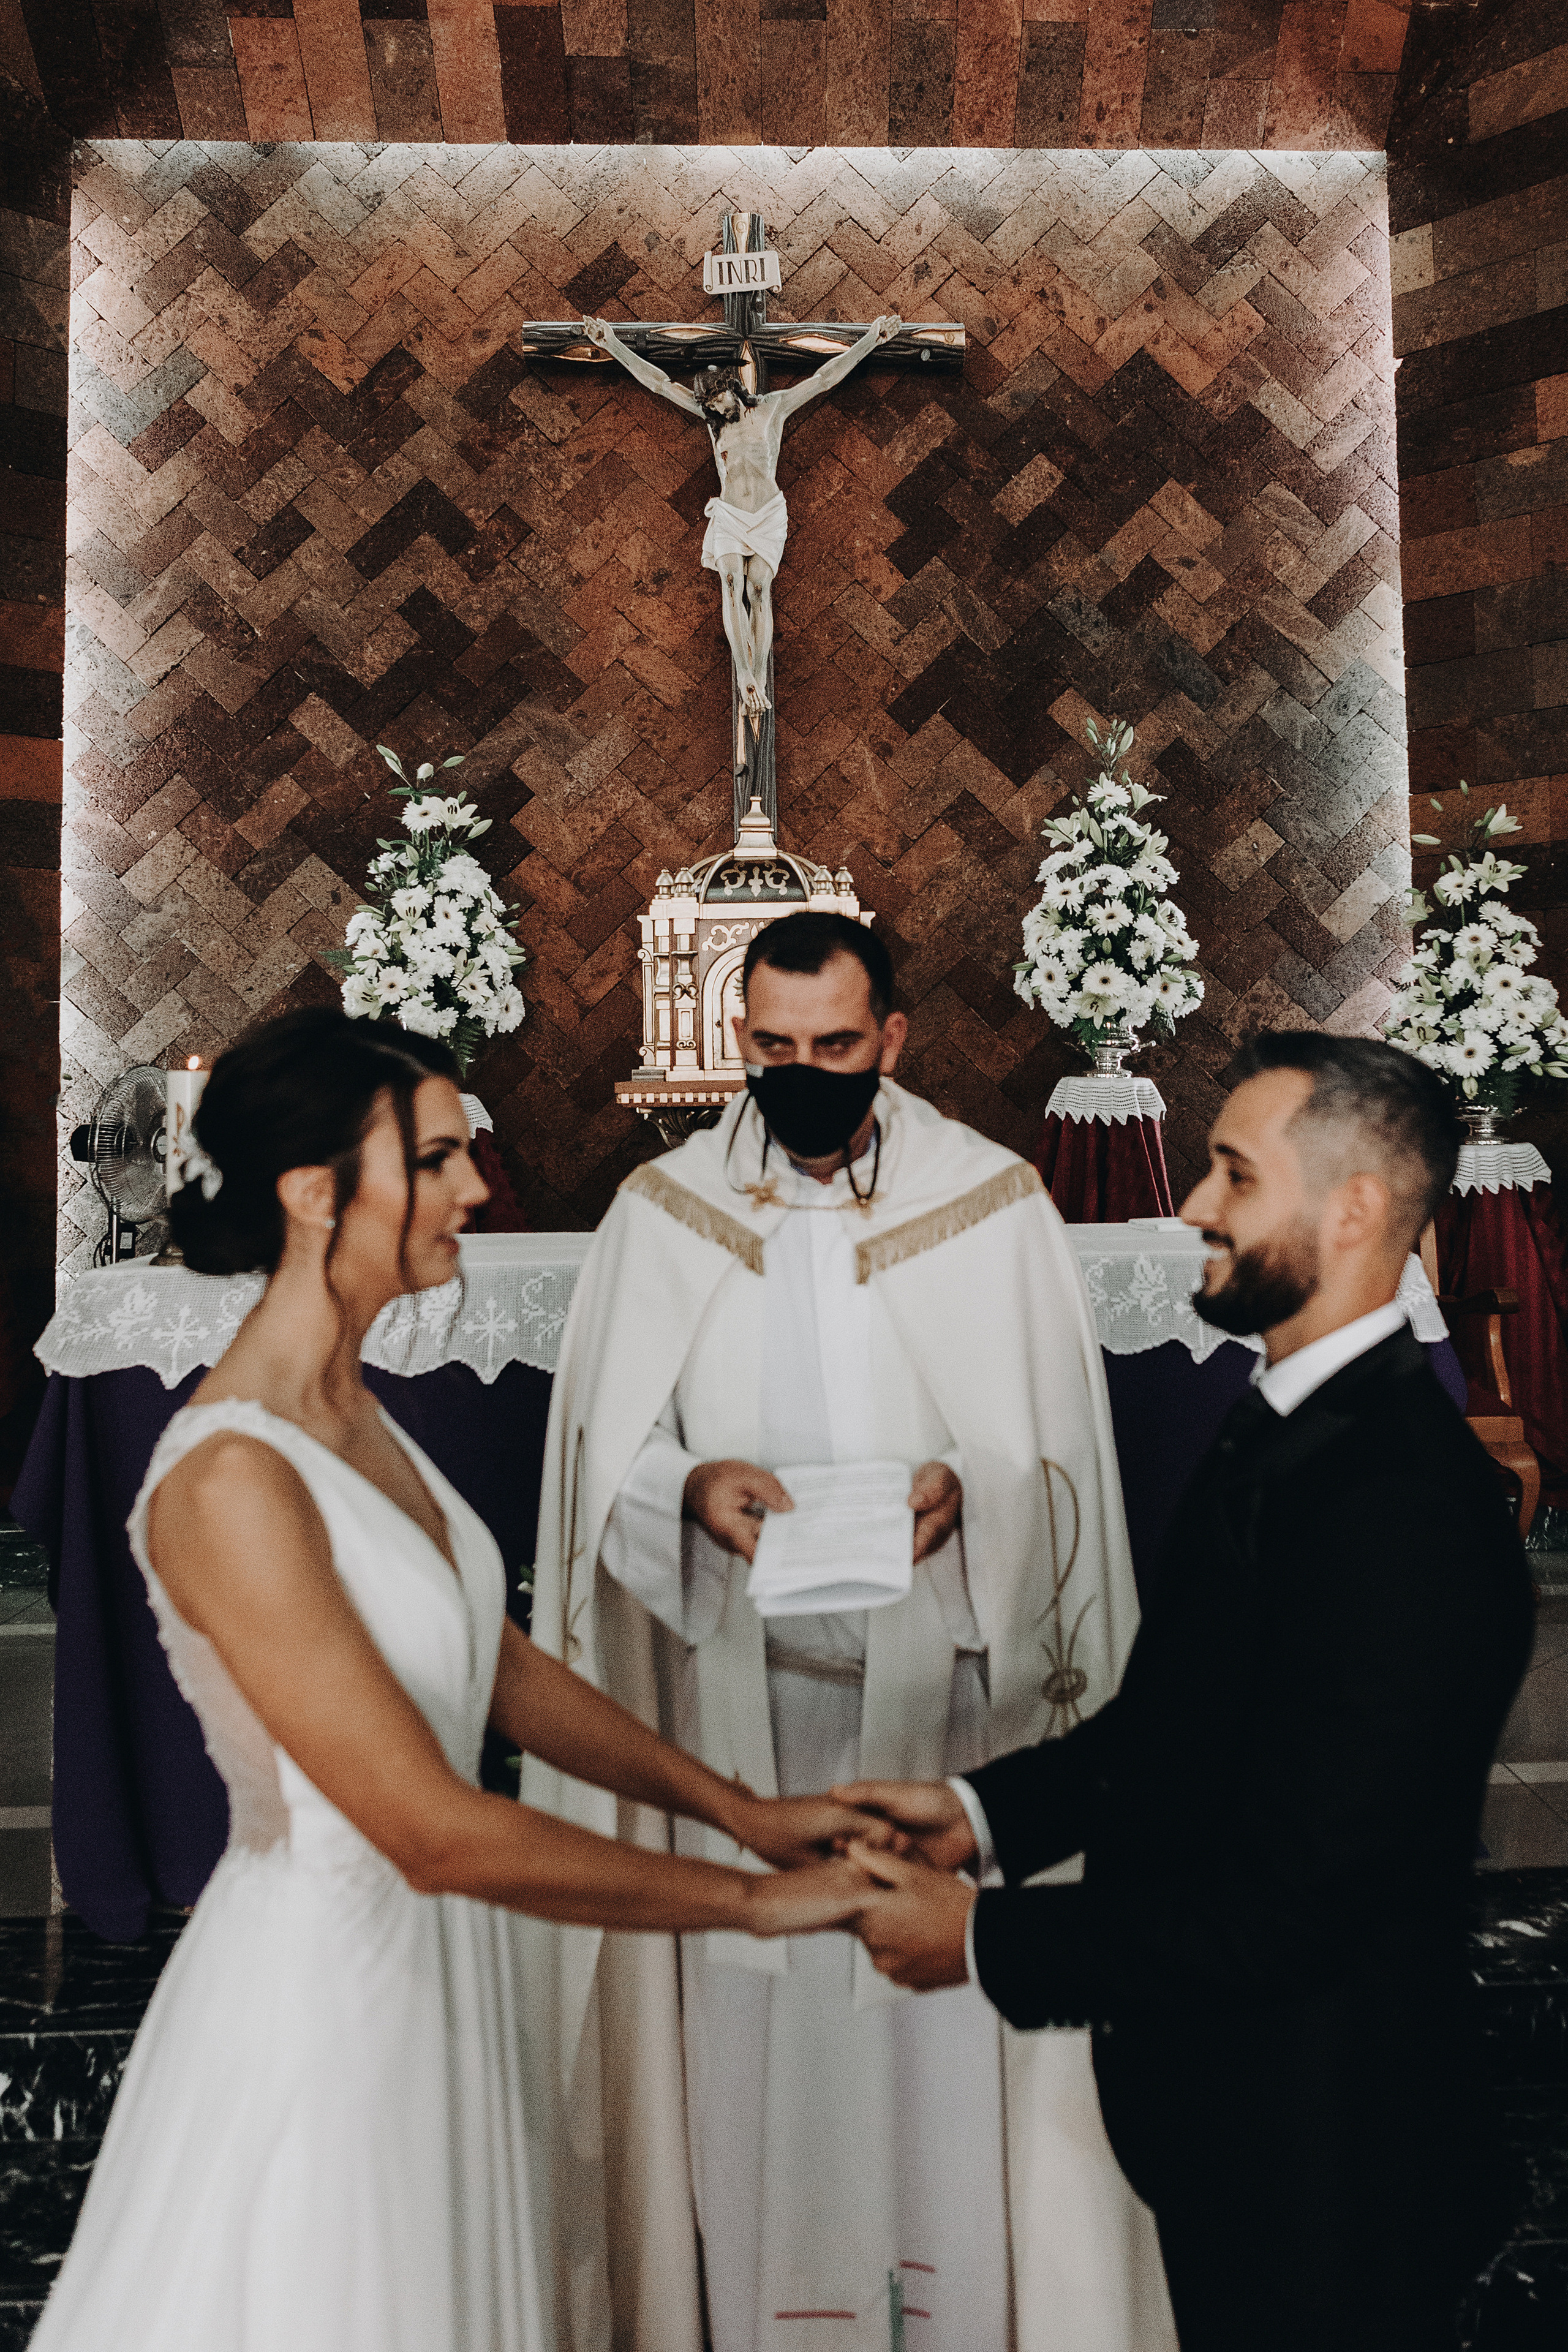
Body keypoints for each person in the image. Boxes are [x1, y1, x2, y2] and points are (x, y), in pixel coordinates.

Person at [29, 1009, 871, 2352]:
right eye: (432, 1160)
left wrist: (740, 1808)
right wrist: (760, 1905)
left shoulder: (356, 1415)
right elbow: (424, 1827)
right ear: (315, 1195)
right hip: (331, 2000)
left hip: (448, 1971)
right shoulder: (232, 1477)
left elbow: (493, 1666)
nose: (475, 1185)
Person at [840, 1031, 1536, 2352]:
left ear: (1350, 1210)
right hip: (1243, 2124)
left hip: (1336, 2157)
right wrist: (974, 1817)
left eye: (1230, 1173)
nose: (1191, 1205)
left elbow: (1301, 1901)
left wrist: (984, 1943)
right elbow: (1179, 1732)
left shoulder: (1397, 1502)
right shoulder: (1283, 1420)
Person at [527, 912, 1162, 2352]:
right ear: (735, 1039)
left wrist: (966, 1489)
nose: (798, 1072)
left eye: (831, 1046)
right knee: (754, 2041)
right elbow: (600, 1464)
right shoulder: (663, 1212)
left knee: (941, 2049)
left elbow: (1045, 1453)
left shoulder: (985, 1207)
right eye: (770, 1048)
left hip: (949, 1726)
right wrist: (688, 1488)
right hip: (738, 1721)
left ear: (890, 1039)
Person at [581, 312, 902, 723]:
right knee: (732, 583)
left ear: (732, 388)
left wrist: (872, 339)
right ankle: (746, 674)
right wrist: (611, 343)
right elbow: (658, 384)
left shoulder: (773, 408)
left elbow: (825, 378)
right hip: (731, 513)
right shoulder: (715, 426)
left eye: (718, 400)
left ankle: (759, 672)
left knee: (759, 590)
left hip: (767, 514)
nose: (716, 409)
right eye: (709, 406)